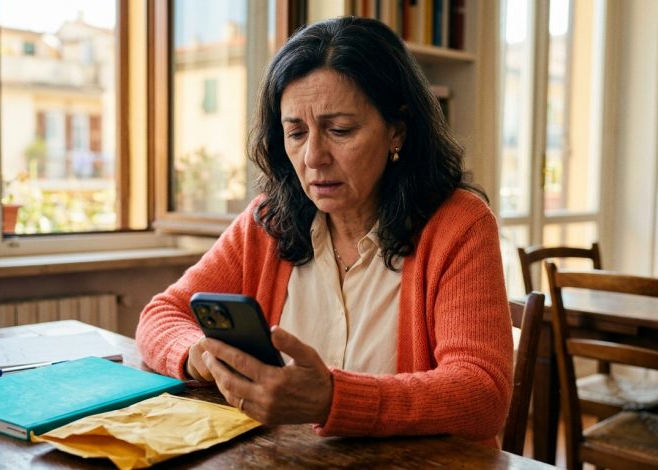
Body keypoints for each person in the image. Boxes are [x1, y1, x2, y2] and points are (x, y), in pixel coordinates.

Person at [136, 16, 512, 448]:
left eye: (340, 130)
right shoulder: (268, 220)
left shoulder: (459, 224)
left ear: (397, 132)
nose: (313, 157)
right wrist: (195, 353)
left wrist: (331, 398)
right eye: (296, 132)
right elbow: (161, 315)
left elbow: (482, 393)